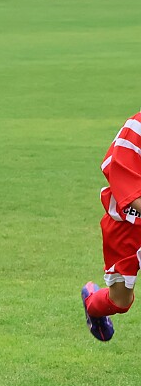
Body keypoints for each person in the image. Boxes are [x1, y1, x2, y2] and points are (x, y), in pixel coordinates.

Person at [80, 110, 141, 341]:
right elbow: (122, 177)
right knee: (120, 301)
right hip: (126, 227)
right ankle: (92, 303)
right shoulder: (137, 126)